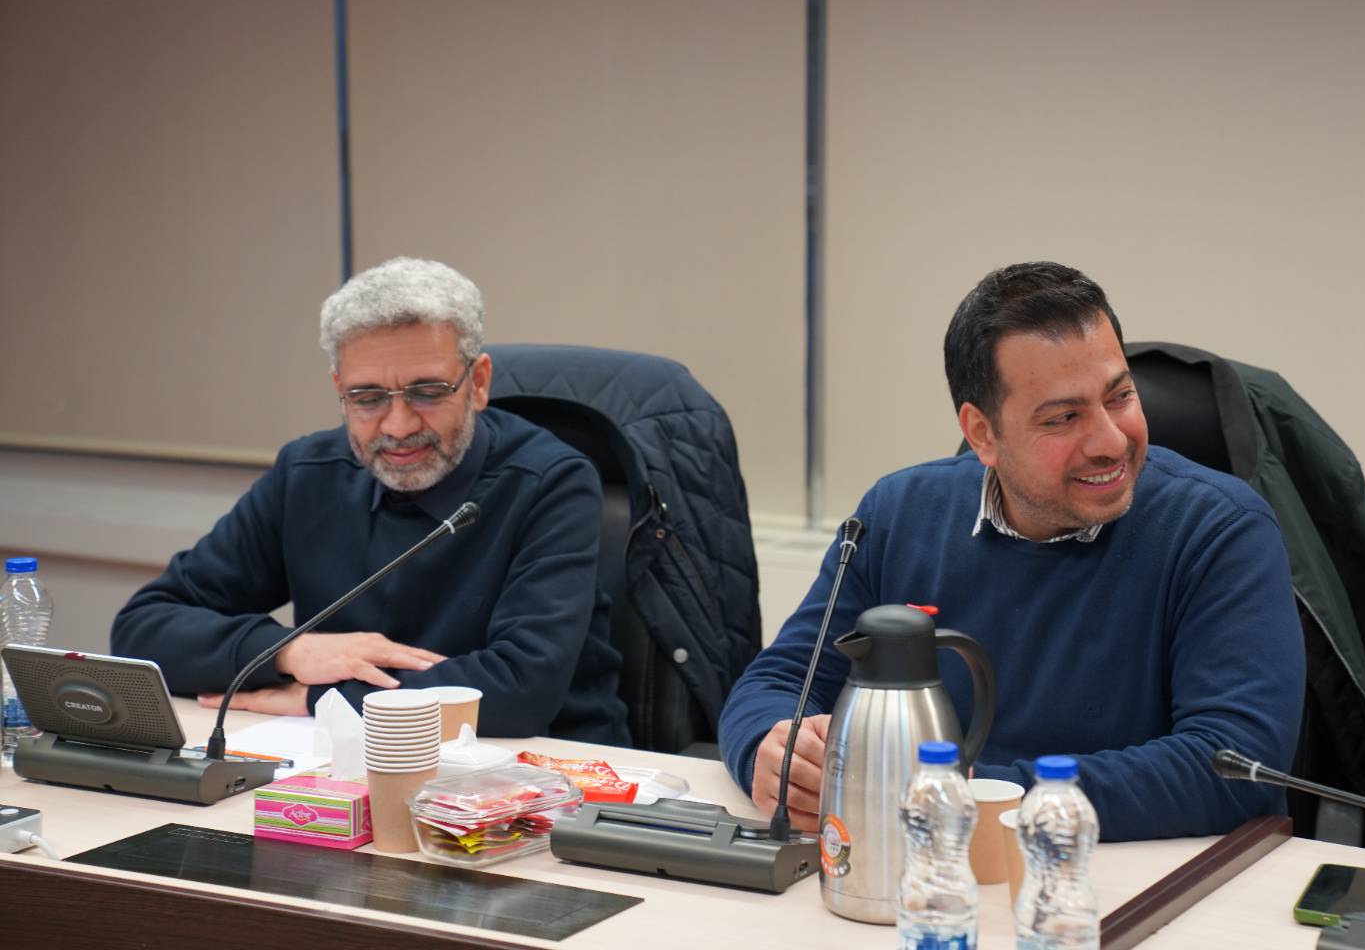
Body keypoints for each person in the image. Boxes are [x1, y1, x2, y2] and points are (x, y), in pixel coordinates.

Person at [718, 261, 1304, 840]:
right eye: (1064, 417)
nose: (1110, 440)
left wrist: (967, 793)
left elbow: (1233, 766)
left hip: (1131, 876)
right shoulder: (898, 514)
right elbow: (783, 679)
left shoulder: (1220, 530)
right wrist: (771, 749)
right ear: (982, 433)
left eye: (1121, 396)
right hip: (920, 861)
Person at [112, 257, 628, 743]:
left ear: (477, 383)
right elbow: (143, 630)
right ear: (340, 390)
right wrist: (289, 652)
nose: (397, 426)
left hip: (541, 770)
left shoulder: (551, 482)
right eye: (368, 398)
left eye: (428, 391)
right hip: (345, 762)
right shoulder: (307, 473)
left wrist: (326, 699)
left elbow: (521, 690)